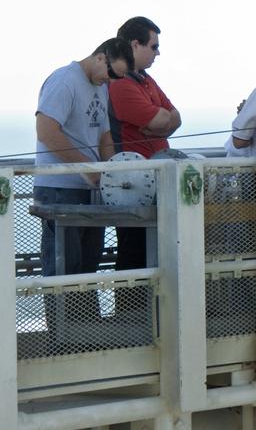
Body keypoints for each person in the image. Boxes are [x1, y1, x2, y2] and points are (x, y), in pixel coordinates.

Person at [33, 39, 124, 277]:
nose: (111, 80)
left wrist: (113, 173)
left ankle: (84, 316)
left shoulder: (101, 86)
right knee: (64, 267)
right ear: (101, 57)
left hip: (90, 188)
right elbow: (46, 131)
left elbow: (104, 137)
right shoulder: (64, 81)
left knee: (87, 267)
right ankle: (61, 316)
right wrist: (85, 166)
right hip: (59, 189)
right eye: (111, 73)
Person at [108, 16, 180, 271]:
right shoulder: (120, 84)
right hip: (132, 186)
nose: (158, 53)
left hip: (153, 185)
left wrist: (157, 122)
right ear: (134, 45)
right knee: (134, 254)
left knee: (153, 254)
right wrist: (157, 122)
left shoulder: (145, 80)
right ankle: (131, 311)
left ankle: (146, 310)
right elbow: (162, 118)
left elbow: (175, 118)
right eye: (153, 46)